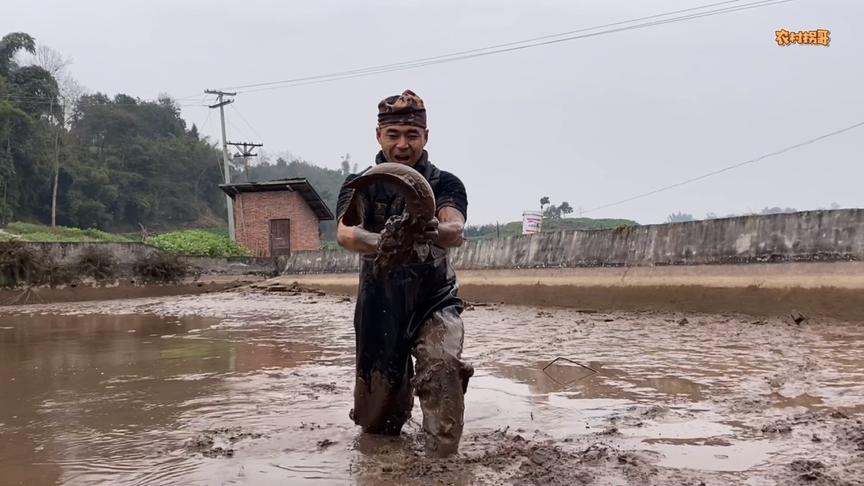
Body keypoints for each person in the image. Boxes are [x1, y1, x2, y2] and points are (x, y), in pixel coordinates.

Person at [335, 89, 473, 457]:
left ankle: (443, 466)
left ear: (426, 137)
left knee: (442, 366)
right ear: (378, 136)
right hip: (379, 302)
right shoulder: (360, 184)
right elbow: (346, 233)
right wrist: (384, 240)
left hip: (434, 298)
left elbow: (455, 228)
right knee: (379, 420)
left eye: (412, 135)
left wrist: (435, 231)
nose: (402, 144)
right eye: (393, 135)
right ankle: (385, 468)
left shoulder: (446, 182)